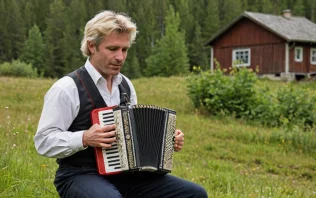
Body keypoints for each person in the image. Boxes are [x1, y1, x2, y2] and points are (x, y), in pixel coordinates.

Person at [34, 10, 207, 198]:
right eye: (112, 49)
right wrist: (84, 138)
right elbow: (43, 141)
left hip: (125, 175)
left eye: (124, 50)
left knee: (195, 194)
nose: (120, 57)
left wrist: (168, 140)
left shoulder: (126, 85)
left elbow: (136, 135)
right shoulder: (67, 88)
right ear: (92, 46)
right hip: (79, 175)